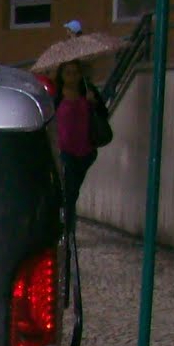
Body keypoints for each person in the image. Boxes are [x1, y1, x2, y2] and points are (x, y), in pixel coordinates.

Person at [53, 58, 108, 238]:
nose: (72, 77)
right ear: (61, 75)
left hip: (85, 151)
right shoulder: (57, 95)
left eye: (75, 73)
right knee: (69, 193)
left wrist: (94, 103)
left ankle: (67, 228)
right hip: (65, 151)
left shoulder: (87, 90)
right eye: (68, 73)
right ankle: (67, 230)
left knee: (72, 192)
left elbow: (103, 113)